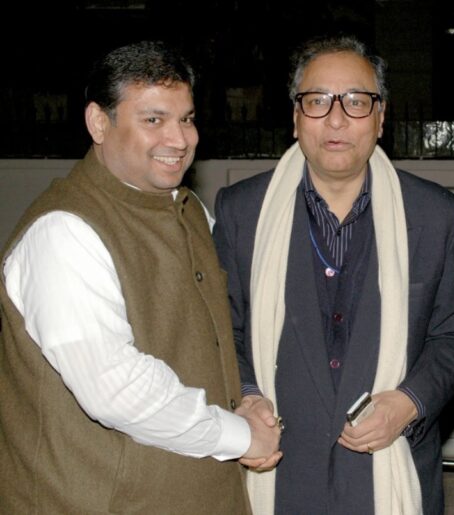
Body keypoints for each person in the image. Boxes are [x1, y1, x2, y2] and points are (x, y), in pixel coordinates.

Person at [0, 41, 281, 514]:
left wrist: (246, 398)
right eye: (153, 120)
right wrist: (239, 436)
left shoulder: (189, 212)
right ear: (98, 123)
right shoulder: (63, 231)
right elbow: (116, 388)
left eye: (187, 119)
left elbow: (215, 335)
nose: (179, 139)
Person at [213, 35, 454, 515]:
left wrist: (409, 403)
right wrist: (247, 397)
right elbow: (220, 332)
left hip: (388, 472)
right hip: (278, 472)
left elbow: (452, 338)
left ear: (381, 117)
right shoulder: (241, 212)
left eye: (356, 101)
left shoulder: (438, 217)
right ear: (295, 117)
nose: (336, 119)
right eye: (317, 101)